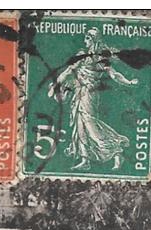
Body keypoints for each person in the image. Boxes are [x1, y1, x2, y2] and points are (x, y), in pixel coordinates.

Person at [49, 27, 138, 171]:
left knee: (91, 125)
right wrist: (56, 84)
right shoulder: (82, 55)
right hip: (79, 92)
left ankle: (116, 151)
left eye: (87, 38)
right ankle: (85, 160)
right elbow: (68, 71)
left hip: (90, 94)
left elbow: (114, 74)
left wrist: (128, 82)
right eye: (85, 38)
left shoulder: (100, 59)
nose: (85, 41)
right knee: (79, 126)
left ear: (94, 40)